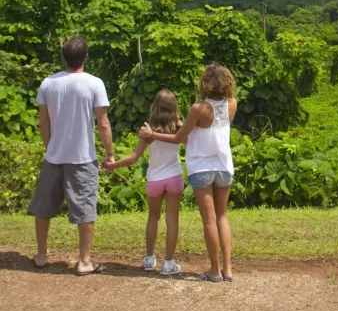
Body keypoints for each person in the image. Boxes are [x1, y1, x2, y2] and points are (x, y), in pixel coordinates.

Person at [139, 62, 236, 282]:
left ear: (206, 82)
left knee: (209, 221)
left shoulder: (198, 108)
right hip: (224, 166)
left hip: (202, 168)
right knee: (222, 218)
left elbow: (178, 138)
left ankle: (214, 270)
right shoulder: (232, 104)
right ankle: (228, 270)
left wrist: (152, 134)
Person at [30, 37, 114, 275]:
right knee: (85, 208)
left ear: (64, 57)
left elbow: (43, 123)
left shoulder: (48, 83)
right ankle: (85, 260)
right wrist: (109, 152)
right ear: (86, 57)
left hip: (54, 156)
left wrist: (50, 146)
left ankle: (41, 254)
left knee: (43, 207)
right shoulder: (94, 83)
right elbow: (103, 122)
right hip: (83, 157)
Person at [104, 89, 184, 275]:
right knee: (172, 220)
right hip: (174, 177)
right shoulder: (179, 126)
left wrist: (113, 165)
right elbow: (190, 144)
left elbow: (134, 158)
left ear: (154, 107)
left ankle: (149, 259)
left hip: (154, 179)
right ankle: (168, 263)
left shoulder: (147, 130)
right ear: (175, 108)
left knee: (153, 217)